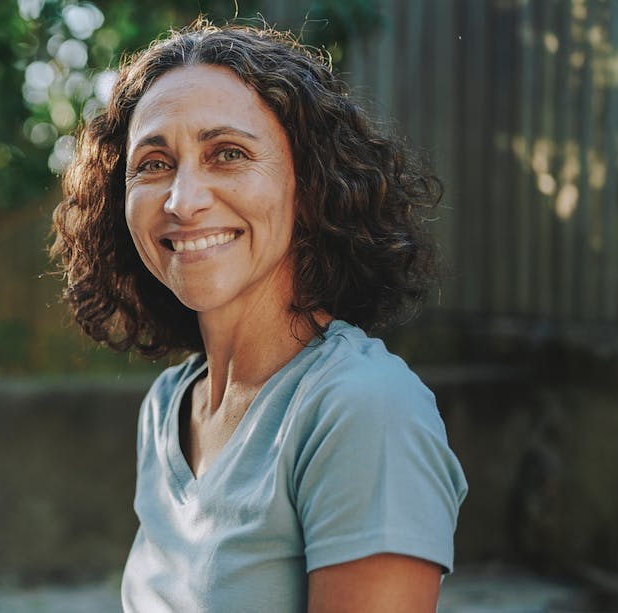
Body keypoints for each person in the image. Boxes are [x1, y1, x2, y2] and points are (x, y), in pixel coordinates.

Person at [51, 20, 467, 613]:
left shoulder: (363, 408)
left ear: (311, 184)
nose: (182, 200)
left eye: (228, 154)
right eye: (154, 163)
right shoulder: (169, 405)